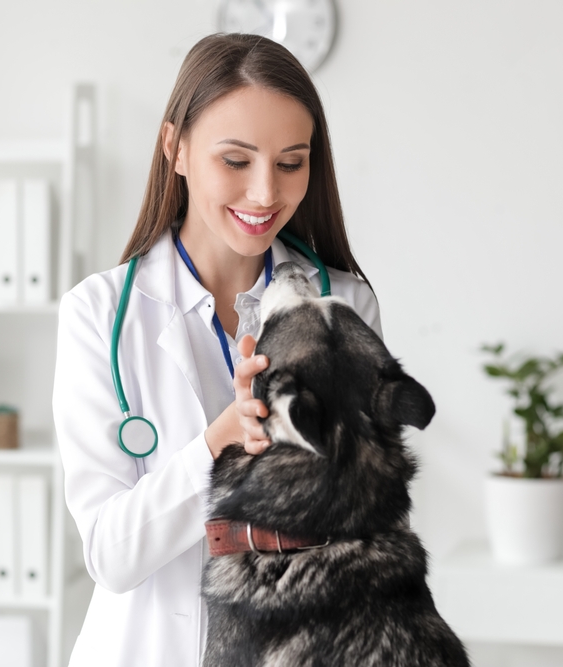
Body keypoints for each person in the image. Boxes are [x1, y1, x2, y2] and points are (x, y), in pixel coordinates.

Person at [53, 33, 382, 667]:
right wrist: (220, 441)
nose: (265, 194)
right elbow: (112, 556)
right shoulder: (97, 315)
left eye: (291, 163)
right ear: (173, 147)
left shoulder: (342, 307)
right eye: (236, 161)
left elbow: (358, 515)